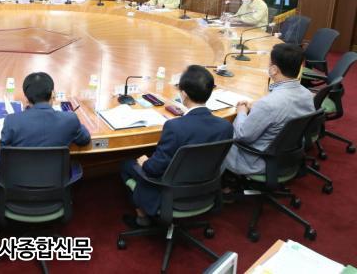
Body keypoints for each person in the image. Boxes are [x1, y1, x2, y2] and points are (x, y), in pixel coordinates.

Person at [120, 65, 233, 225]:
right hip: (205, 191)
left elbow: (154, 170)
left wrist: (145, 162)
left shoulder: (175, 127)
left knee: (127, 165)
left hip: (171, 193)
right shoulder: (226, 127)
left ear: (184, 94)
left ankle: (142, 216)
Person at [223, 43, 314, 176]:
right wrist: (257, 109)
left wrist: (241, 111)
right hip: (289, 156)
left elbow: (243, 136)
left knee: (215, 134)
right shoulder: (308, 95)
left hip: (257, 161)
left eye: (269, 64)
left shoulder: (267, 104)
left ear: (274, 70)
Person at [0, 72, 91, 150]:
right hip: (57, 166)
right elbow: (85, 140)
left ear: (26, 99)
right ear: (53, 94)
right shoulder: (70, 119)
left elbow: (2, 156)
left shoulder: (11, 121)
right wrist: (75, 120)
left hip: (20, 166)